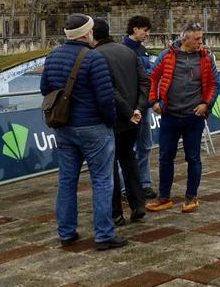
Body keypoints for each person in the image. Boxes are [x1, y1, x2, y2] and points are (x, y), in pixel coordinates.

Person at [39, 14, 127, 250]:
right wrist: (110, 122)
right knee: (102, 180)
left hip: (64, 127)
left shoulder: (53, 56)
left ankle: (66, 232)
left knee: (67, 181)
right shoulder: (94, 58)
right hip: (93, 127)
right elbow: (105, 98)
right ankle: (104, 234)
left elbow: (45, 89)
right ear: (87, 33)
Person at [145, 22, 217, 214]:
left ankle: (191, 197)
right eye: (197, 39)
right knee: (165, 157)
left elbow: (213, 84)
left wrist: (206, 104)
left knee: (193, 157)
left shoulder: (206, 58)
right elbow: (152, 77)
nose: (201, 42)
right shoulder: (167, 55)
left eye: (202, 38)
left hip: (194, 117)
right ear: (185, 39)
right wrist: (154, 101)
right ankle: (164, 197)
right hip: (169, 116)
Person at [91, 18, 150, 226]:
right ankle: (138, 203)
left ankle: (116, 211)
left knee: (110, 166)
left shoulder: (96, 55)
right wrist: (139, 108)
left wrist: (129, 111)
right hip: (133, 118)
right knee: (129, 159)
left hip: (114, 119)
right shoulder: (129, 51)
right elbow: (145, 81)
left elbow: (108, 88)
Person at [120, 15, 158, 199]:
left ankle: (143, 183)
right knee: (128, 149)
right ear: (134, 29)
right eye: (145, 30)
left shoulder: (141, 50)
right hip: (131, 106)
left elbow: (147, 73)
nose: (147, 34)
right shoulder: (123, 49)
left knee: (145, 145)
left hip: (144, 105)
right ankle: (126, 187)